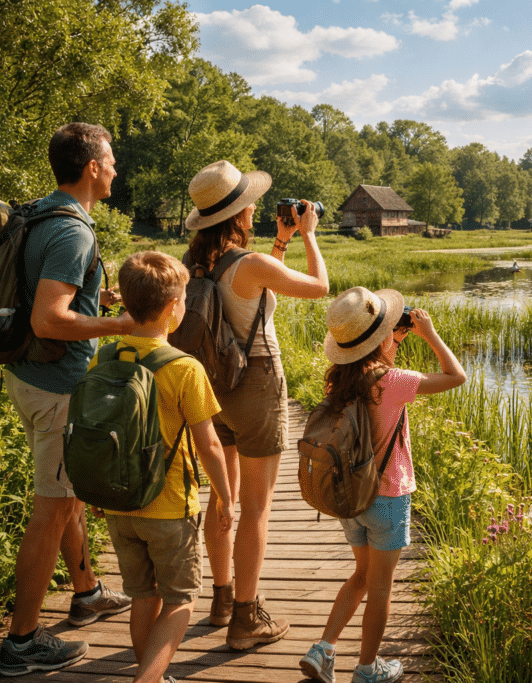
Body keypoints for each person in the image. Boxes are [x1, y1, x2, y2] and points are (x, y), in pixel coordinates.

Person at [0, 122, 135, 677]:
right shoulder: (73, 231)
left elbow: (45, 290)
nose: (116, 170)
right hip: (56, 390)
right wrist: (119, 321)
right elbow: (48, 318)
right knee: (51, 511)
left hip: (30, 377)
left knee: (67, 496)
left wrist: (93, 297)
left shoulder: (41, 212)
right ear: (92, 168)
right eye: (111, 161)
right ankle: (22, 643)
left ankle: (86, 591)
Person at [183, 160, 329, 649]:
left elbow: (253, 291)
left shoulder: (195, 264)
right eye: (251, 203)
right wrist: (309, 234)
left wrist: (281, 242)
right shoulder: (250, 265)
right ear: (240, 212)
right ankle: (247, 618)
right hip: (257, 384)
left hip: (212, 387)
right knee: (258, 510)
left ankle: (222, 598)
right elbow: (319, 288)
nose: (257, 208)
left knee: (222, 496)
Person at [300, 287, 466, 683]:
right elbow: (456, 376)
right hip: (388, 498)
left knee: (360, 576)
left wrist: (391, 341)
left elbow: (371, 371)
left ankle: (322, 650)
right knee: (380, 588)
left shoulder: (338, 381)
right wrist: (429, 334)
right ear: (378, 338)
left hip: (352, 498)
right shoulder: (392, 381)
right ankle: (367, 669)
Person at [95, 250, 236, 683]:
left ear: (126, 304)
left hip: (120, 505)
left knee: (142, 596)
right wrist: (226, 499)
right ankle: (148, 679)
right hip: (170, 507)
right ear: (175, 308)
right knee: (180, 601)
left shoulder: (102, 358)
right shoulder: (183, 368)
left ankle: (150, 672)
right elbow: (210, 444)